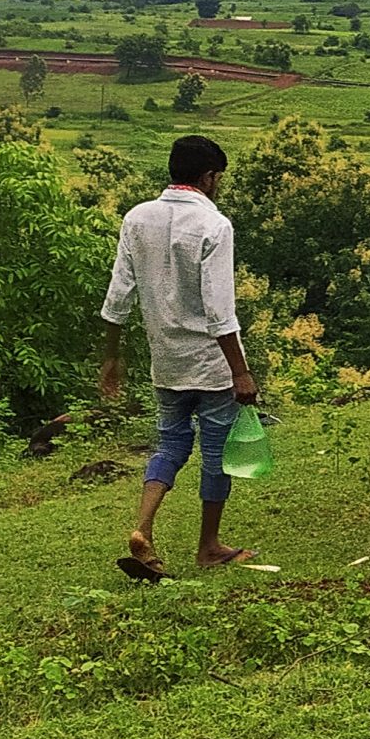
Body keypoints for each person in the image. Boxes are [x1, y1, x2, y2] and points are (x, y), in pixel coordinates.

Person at [98, 135, 258, 576]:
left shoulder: (137, 218)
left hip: (165, 358)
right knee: (216, 453)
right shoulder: (214, 226)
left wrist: (111, 358)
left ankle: (144, 530)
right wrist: (241, 372)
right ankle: (208, 546)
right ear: (208, 178)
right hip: (210, 363)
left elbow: (118, 296)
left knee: (170, 443)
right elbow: (220, 311)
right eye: (218, 178)